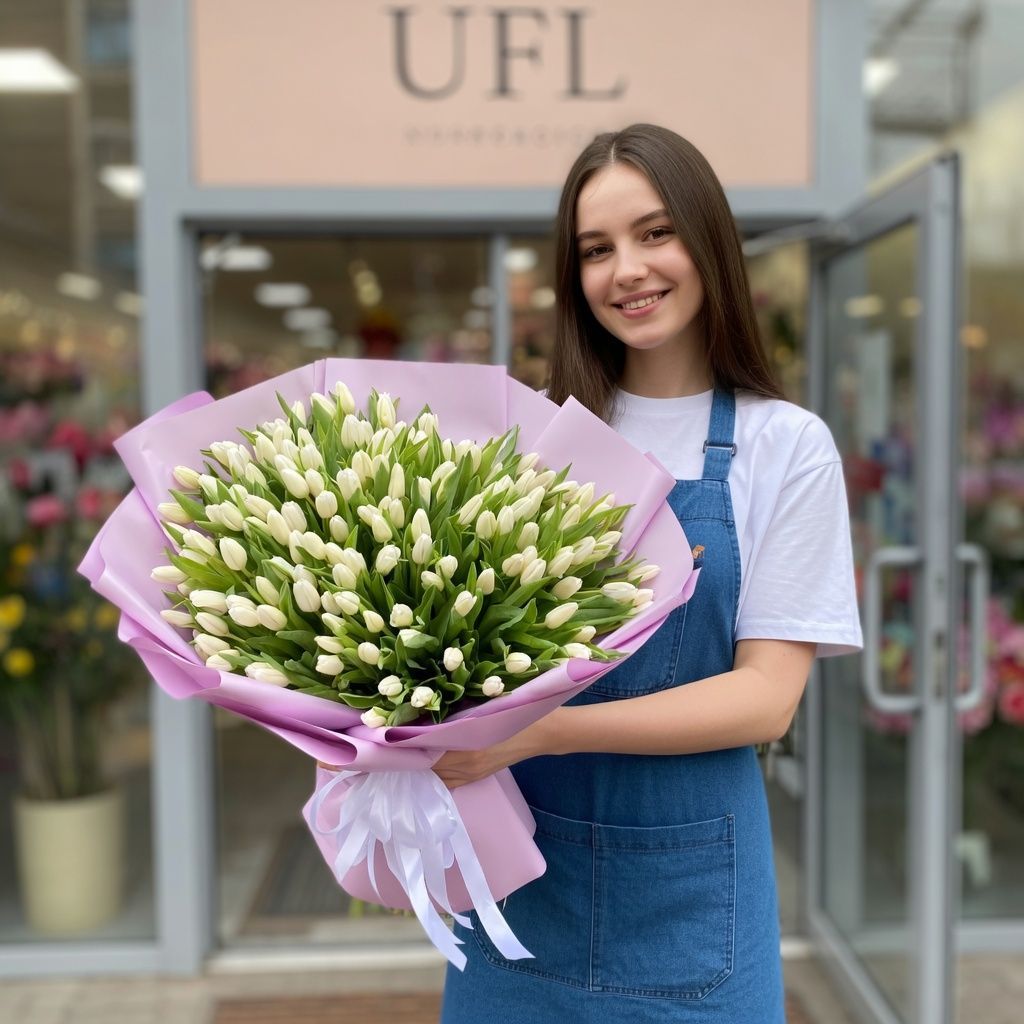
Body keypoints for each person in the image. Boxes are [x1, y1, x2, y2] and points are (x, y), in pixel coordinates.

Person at [434, 124, 863, 1022]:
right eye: (596, 249)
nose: (626, 270)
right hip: (520, 889)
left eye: (655, 233)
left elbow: (766, 700)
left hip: (693, 910)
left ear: (707, 242)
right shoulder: (532, 439)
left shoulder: (784, 445)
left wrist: (541, 732)